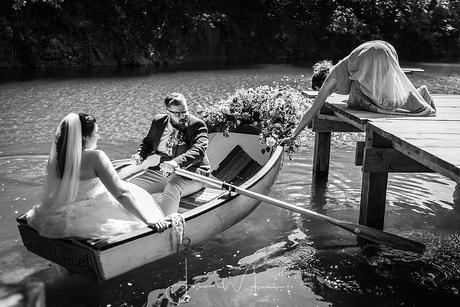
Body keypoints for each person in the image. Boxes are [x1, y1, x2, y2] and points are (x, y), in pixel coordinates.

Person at [26, 113, 167, 239]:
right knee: (138, 197)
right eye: (96, 133)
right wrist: (148, 220)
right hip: (88, 212)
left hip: (59, 210)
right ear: (84, 137)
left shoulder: (56, 158)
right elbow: (121, 194)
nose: (98, 136)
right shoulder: (95, 156)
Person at [284, 40, 436, 144]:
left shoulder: (330, 80)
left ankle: (420, 99)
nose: (327, 94)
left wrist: (293, 135)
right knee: (390, 98)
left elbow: (312, 111)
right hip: (386, 49)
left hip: (372, 56)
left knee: (371, 104)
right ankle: (420, 93)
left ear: (321, 82)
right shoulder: (344, 67)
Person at [129, 92, 210, 215]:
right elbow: (148, 143)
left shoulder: (197, 125)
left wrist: (175, 162)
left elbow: (198, 151)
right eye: (177, 113)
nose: (182, 116)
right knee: (131, 186)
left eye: (184, 112)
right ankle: (136, 221)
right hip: (164, 171)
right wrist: (140, 155)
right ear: (167, 112)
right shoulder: (158, 121)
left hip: (192, 173)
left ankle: (166, 225)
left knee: (172, 187)